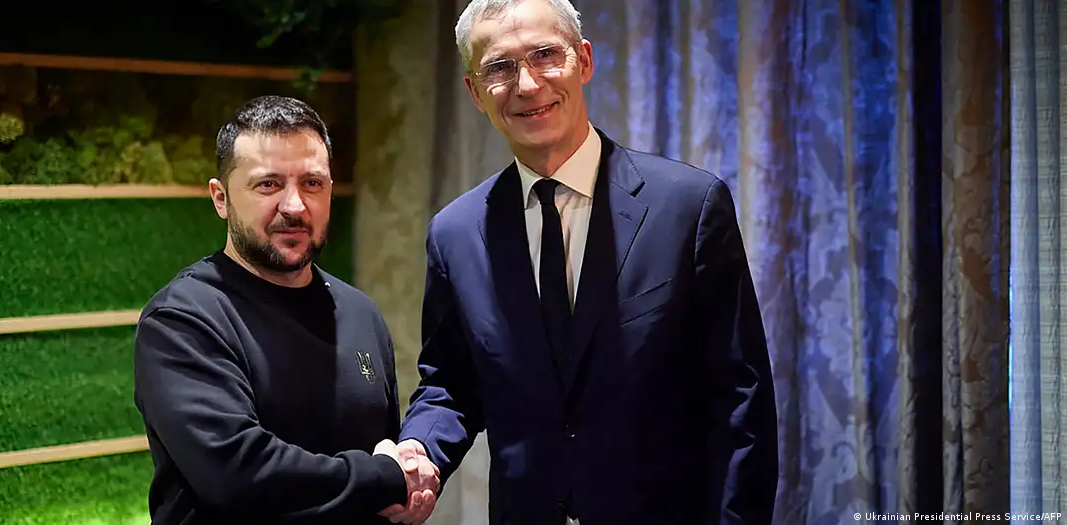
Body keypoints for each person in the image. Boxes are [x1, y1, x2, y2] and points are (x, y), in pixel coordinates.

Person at [387, 1, 780, 524]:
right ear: (474, 92)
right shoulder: (457, 233)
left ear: (584, 60)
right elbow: (451, 382)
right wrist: (419, 451)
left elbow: (741, 401)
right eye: (499, 67)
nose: (527, 84)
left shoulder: (688, 206)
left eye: (546, 55)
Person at [132, 95, 437, 524]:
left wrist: (398, 484)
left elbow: (382, 466)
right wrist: (385, 477)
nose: (294, 207)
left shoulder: (359, 313)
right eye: (268, 185)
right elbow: (238, 476)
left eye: (312, 183)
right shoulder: (183, 321)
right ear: (221, 199)